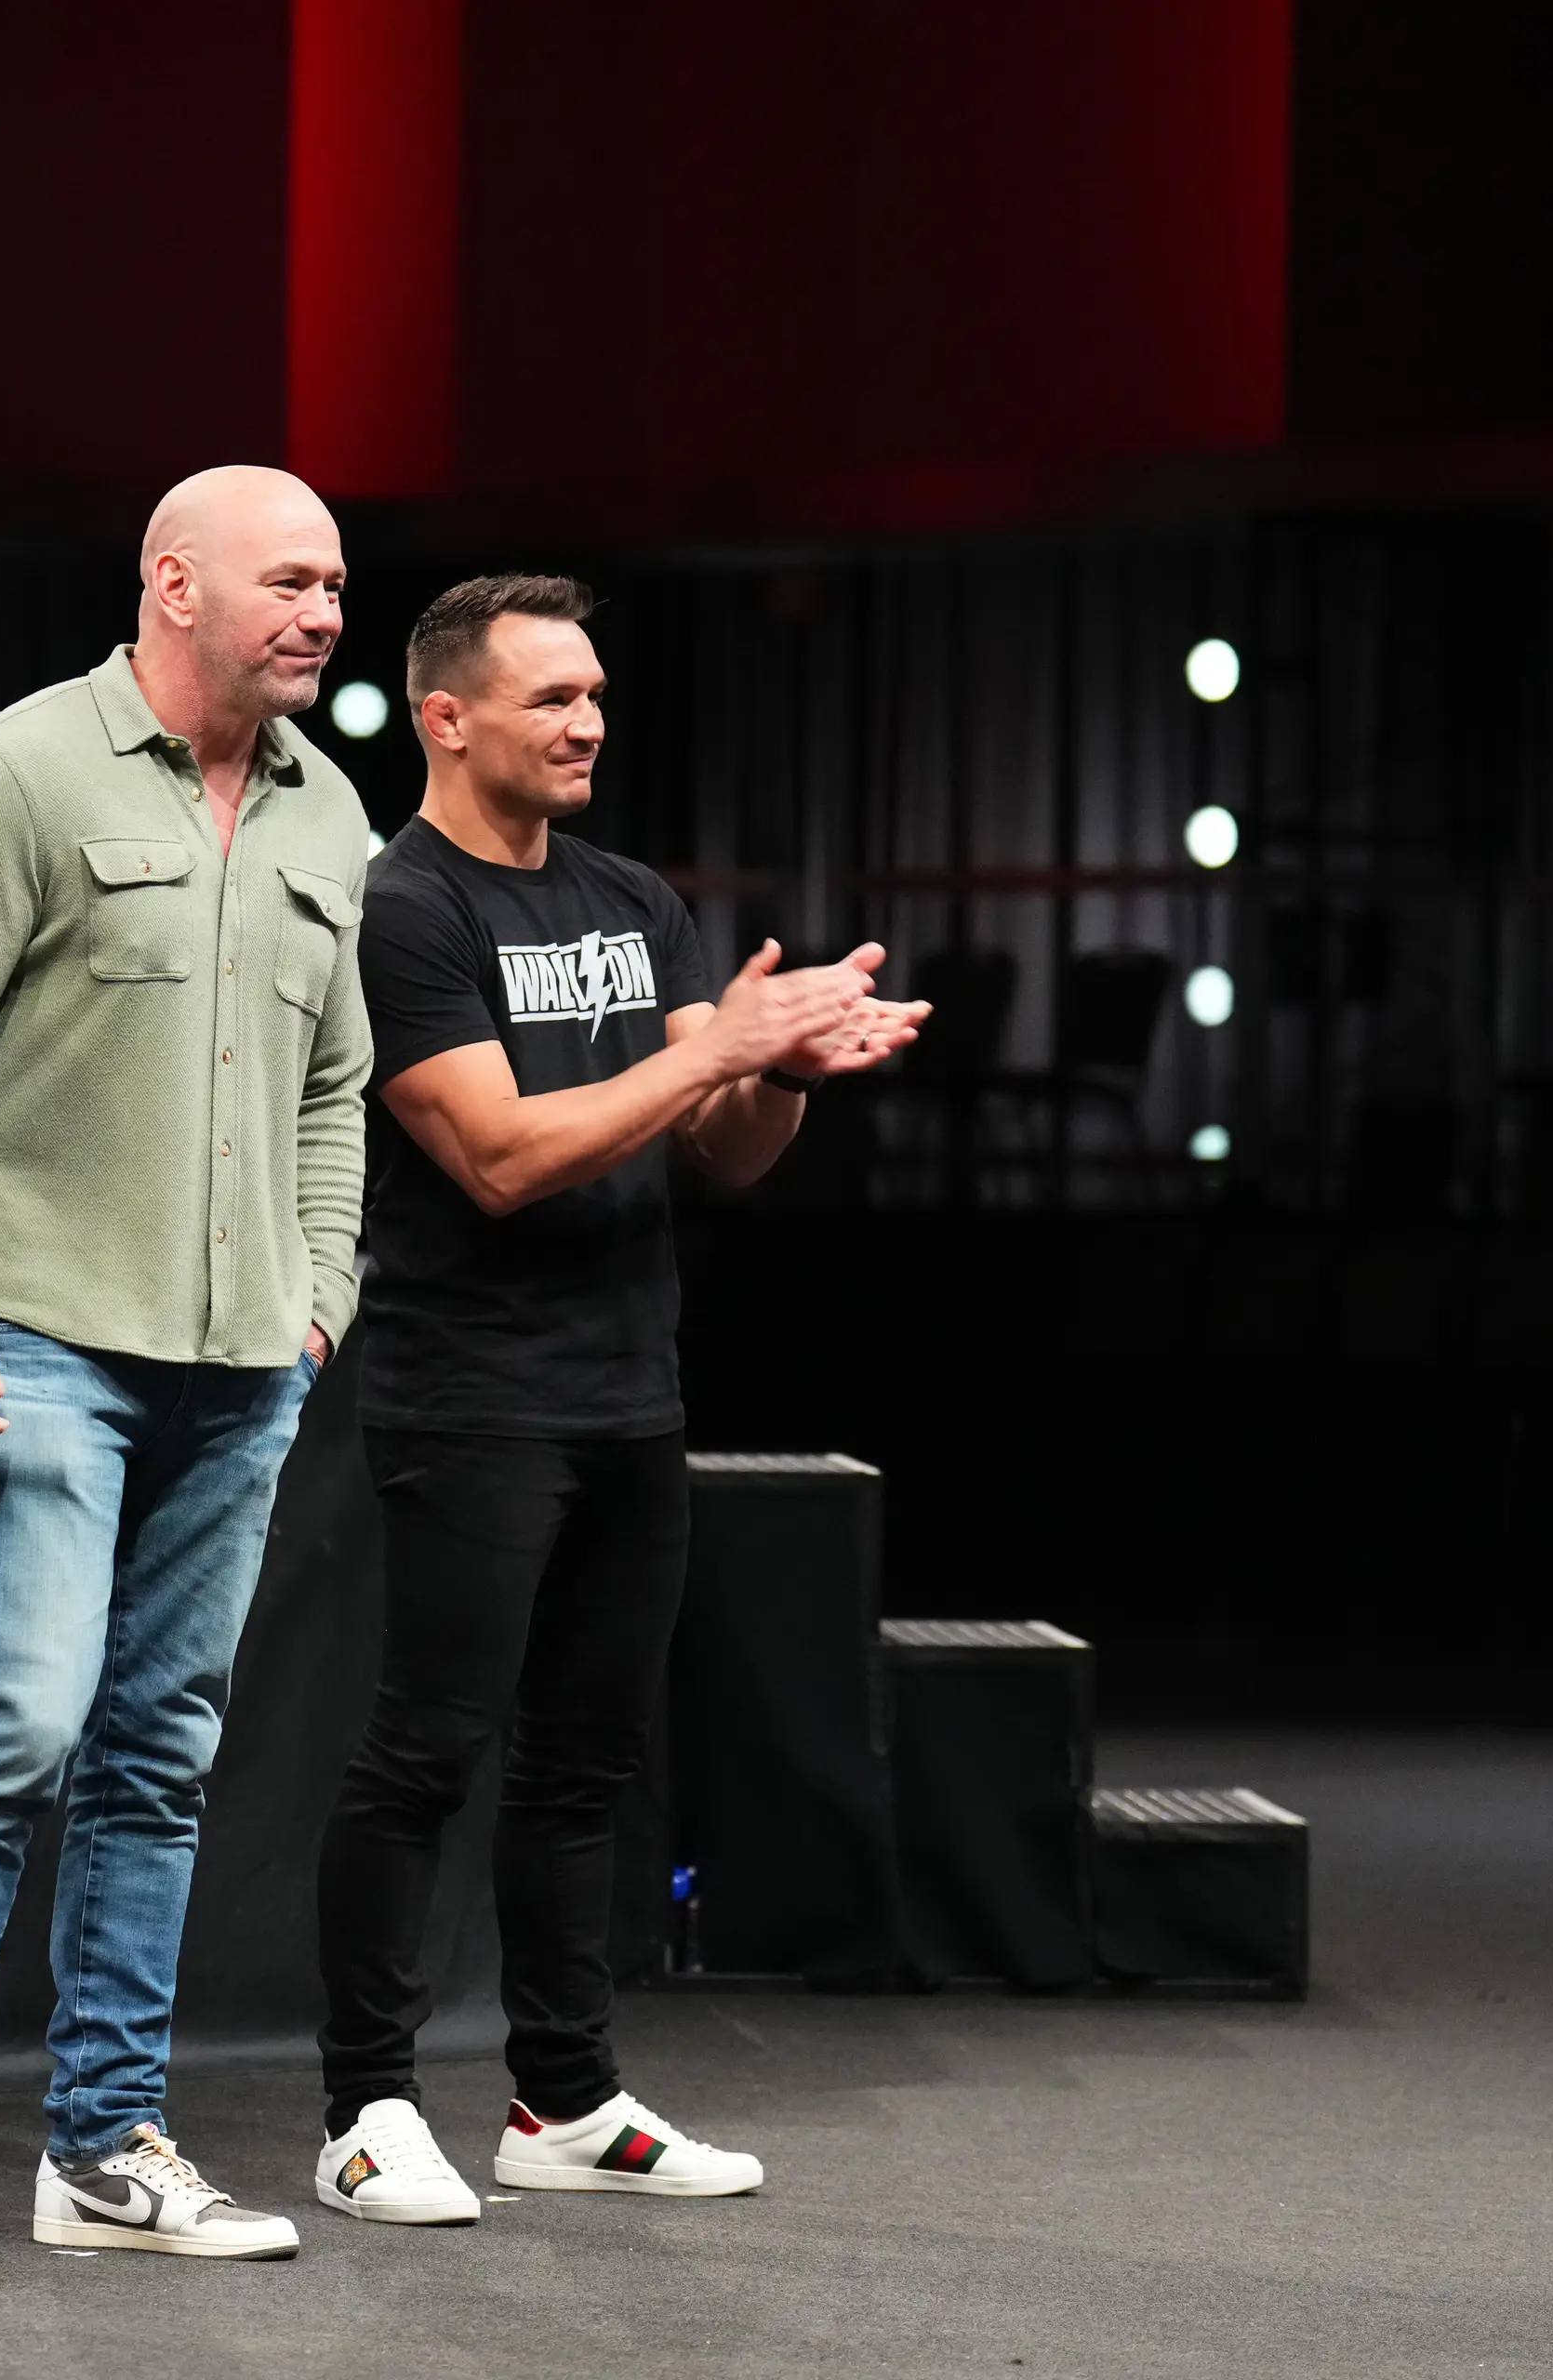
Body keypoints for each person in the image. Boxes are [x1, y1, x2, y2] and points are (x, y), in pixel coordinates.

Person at [304, 575, 925, 2226]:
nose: (587, 724)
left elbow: (720, 1156)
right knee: (425, 1754)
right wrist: (714, 1043)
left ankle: (561, 2098)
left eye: (594, 696)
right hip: (469, 1396)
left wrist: (771, 1074)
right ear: (447, 718)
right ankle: (365, 2108)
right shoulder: (404, 909)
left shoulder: (630, 895)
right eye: (549, 699)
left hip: (628, 1392)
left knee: (587, 1763)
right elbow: (502, 1158)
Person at [0, 466, 371, 2285]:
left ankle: (104, 2146)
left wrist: (323, 1296)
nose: (321, 611)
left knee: (161, 1748)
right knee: (27, 1720)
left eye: (338, 585)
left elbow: (333, 1087)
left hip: (244, 1364)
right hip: (45, 1334)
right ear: (174, 585)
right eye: (289, 580)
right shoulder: (24, 771)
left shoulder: (332, 815)